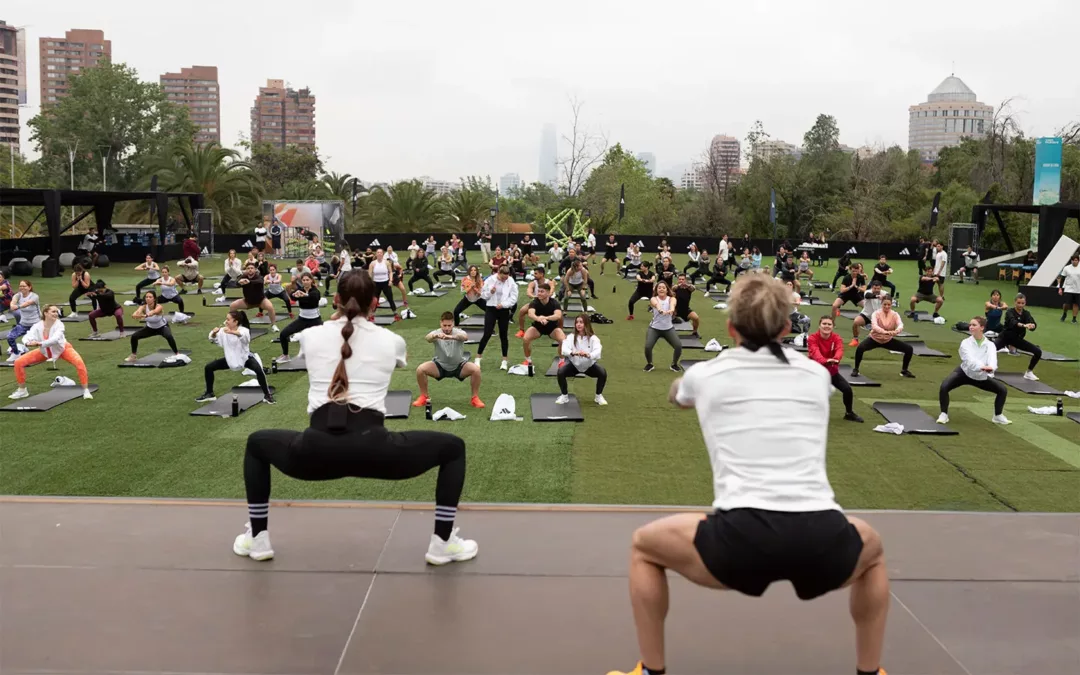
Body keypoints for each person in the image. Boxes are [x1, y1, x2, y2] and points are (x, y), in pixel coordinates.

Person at [606, 273, 889, 675]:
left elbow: (679, 395)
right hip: (820, 537)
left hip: (740, 540)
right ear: (788, 327)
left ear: (730, 328)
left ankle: (651, 671)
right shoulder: (817, 376)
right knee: (872, 552)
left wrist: (682, 389)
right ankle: (870, 671)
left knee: (644, 547)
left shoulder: (706, 375)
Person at [232, 270, 478, 565]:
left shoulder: (309, 337)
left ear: (335, 299)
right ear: (374, 303)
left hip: (315, 450)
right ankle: (442, 542)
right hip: (375, 449)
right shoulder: (393, 341)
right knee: (453, 449)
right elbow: (388, 356)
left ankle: (258, 540)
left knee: (257, 443)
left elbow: (332, 343)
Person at [8, 304, 94, 401]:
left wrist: (39, 343)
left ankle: (86, 390)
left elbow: (55, 339)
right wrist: (28, 343)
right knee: (18, 362)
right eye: (53, 311)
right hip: (45, 351)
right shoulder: (37, 326)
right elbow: (28, 336)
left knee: (79, 363)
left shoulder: (59, 325)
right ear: (45, 313)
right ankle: (22, 390)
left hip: (63, 349)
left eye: (56, 311)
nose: (56, 313)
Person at [937, 316, 1010, 426]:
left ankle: (998, 416)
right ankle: (943, 414)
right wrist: (982, 367)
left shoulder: (990, 345)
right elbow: (969, 360)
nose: (970, 327)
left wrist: (991, 368)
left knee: (1002, 390)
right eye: (970, 325)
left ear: (982, 327)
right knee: (944, 387)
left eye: (974, 325)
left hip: (981, 377)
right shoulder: (965, 343)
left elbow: (992, 360)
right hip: (964, 373)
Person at [196, 310, 274, 405]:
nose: (226, 321)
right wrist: (214, 333)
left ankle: (267, 395)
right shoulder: (223, 331)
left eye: (228, 319)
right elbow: (212, 339)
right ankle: (209, 394)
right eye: (226, 319)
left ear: (235, 322)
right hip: (231, 359)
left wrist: (232, 332)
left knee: (259, 370)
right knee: (208, 367)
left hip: (245, 358)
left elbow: (245, 338)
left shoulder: (243, 330)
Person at [412, 311, 484, 409]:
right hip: (440, 366)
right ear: (440, 323)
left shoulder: (458, 332)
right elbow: (427, 338)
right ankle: (424, 396)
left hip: (459, 365)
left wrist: (451, 337)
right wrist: (436, 336)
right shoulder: (437, 332)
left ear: (453, 324)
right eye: (444, 325)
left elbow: (465, 337)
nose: (446, 328)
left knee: (476, 370)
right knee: (420, 369)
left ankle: (475, 398)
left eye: (449, 325)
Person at [808, 316, 863, 423]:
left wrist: (835, 359)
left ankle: (849, 413)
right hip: (815, 372)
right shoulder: (812, 338)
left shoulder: (837, 338)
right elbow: (815, 353)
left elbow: (839, 350)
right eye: (824, 324)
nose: (826, 326)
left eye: (829, 324)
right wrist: (825, 361)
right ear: (819, 325)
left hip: (831, 371)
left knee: (847, 389)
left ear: (833, 327)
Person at [851, 296, 915, 379]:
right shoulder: (876, 313)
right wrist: (885, 332)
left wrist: (896, 331)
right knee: (860, 348)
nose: (887, 306)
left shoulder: (895, 314)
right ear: (881, 304)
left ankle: (904, 370)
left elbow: (900, 324)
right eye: (885, 304)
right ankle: (856, 369)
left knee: (909, 349)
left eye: (889, 304)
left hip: (887, 340)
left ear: (891, 304)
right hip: (874, 339)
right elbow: (874, 326)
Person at [474, 265, 519, 371]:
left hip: (503, 310)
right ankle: (478, 358)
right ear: (499, 273)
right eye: (503, 278)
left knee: (504, 335)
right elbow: (483, 295)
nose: (505, 280)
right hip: (491, 308)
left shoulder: (511, 281)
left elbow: (514, 297)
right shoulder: (490, 280)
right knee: (487, 333)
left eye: (506, 278)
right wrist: (491, 292)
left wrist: (503, 304)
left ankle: (504, 360)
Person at [557, 314, 607, 406]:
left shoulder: (593, 338)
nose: (578, 325)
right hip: (574, 365)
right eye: (577, 322)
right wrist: (573, 353)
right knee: (561, 372)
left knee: (602, 372)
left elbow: (597, 351)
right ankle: (564, 396)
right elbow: (564, 349)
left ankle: (598, 396)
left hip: (589, 366)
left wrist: (589, 355)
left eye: (581, 322)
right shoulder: (571, 337)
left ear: (586, 324)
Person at [992, 294, 1042, 381]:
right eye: (1018, 303)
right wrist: (1024, 325)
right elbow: (1013, 322)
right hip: (1005, 337)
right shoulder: (1010, 312)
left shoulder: (1026, 313)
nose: (1020, 305)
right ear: (1015, 302)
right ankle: (985, 368)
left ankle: (1029, 372)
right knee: (990, 349)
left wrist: (1032, 325)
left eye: (1022, 303)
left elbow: (1032, 322)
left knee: (1038, 352)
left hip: (1017, 339)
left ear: (1025, 303)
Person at [276, 272, 322, 362]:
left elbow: (315, 297)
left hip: (315, 320)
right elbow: (293, 297)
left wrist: (303, 295)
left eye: (307, 280)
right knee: (283, 334)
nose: (305, 282)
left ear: (311, 280)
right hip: (302, 320)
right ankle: (285, 355)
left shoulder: (315, 291)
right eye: (303, 280)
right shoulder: (300, 290)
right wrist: (292, 292)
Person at [127, 292, 181, 362]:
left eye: (150, 297)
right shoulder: (143, 307)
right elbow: (137, 312)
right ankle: (133, 356)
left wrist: (148, 314)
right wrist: (135, 314)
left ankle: (177, 354)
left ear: (154, 299)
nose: (148, 299)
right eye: (146, 297)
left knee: (169, 336)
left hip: (162, 327)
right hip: (150, 328)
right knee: (134, 336)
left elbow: (154, 311)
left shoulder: (159, 306)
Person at [521, 283, 565, 367]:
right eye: (538, 291)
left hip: (552, 328)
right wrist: (539, 319)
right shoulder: (534, 302)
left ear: (548, 293)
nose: (539, 293)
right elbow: (531, 314)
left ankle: (562, 361)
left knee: (563, 340)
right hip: (538, 327)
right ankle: (528, 360)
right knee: (526, 339)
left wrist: (546, 318)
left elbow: (558, 315)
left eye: (542, 291)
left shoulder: (554, 303)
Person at [644, 281, 683, 372]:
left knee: (678, 346)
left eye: (663, 288)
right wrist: (661, 310)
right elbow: (656, 304)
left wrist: (671, 310)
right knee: (648, 347)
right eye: (659, 288)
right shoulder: (654, 298)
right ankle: (650, 364)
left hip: (668, 329)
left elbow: (673, 305)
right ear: (656, 290)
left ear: (666, 290)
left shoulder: (671, 298)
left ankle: (674, 364)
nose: (661, 289)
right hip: (654, 328)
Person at [231, 262, 278, 328]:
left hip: (261, 301)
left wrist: (249, 282)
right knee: (233, 305)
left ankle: (273, 325)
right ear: (246, 270)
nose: (250, 269)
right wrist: (239, 282)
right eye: (248, 268)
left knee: (270, 307)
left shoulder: (258, 276)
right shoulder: (244, 276)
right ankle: (233, 323)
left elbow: (260, 281)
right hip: (248, 301)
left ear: (255, 269)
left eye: (252, 268)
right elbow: (236, 283)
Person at [515, 267, 555, 337]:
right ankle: (521, 330)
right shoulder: (533, 283)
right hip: (536, 302)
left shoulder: (549, 282)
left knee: (559, 315)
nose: (534, 275)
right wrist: (534, 296)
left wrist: (547, 295)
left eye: (536, 273)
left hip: (547, 302)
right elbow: (529, 292)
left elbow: (552, 289)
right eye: (534, 273)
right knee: (522, 311)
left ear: (542, 274)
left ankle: (558, 329)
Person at [5, 280, 40, 360]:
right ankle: (16, 353)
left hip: (36, 324)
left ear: (29, 287)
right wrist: (12, 305)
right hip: (23, 324)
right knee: (10, 337)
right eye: (20, 286)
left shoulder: (34, 296)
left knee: (43, 340)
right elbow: (13, 301)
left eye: (24, 286)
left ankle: (49, 353)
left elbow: (27, 303)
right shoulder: (18, 295)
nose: (22, 288)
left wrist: (17, 307)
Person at [851, 280, 886, 347]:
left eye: (878, 288)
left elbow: (888, 297)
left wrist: (885, 297)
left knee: (886, 328)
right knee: (856, 322)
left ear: (881, 288)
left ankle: (882, 341)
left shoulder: (884, 293)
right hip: (867, 315)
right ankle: (855, 340)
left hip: (878, 316)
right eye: (874, 288)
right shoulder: (867, 292)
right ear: (872, 287)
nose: (876, 290)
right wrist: (878, 296)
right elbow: (867, 296)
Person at [1057, 252, 1080, 323]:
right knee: (1066, 304)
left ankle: (1074, 319)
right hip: (1068, 288)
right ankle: (1064, 314)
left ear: (1078, 261)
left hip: (1078, 289)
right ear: (1071, 261)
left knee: (1076, 304)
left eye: (1076, 260)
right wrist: (1060, 288)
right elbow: (1062, 278)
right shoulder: (1066, 268)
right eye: (1074, 260)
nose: (1075, 261)